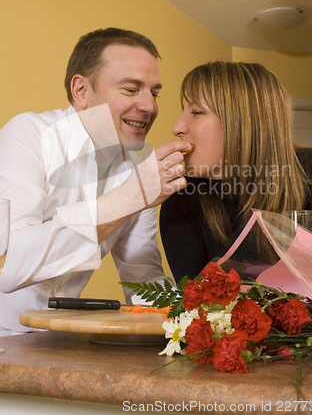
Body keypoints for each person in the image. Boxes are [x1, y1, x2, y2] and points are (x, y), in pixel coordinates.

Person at [0, 27, 191, 334]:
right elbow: (12, 267)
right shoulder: (27, 136)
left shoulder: (135, 173)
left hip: (55, 346)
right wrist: (129, 198)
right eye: (131, 90)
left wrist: (199, 320)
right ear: (81, 91)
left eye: (154, 93)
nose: (150, 106)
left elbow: (142, 277)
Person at [160, 61, 312, 284]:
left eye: (197, 112)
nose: (177, 127)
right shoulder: (182, 196)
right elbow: (194, 307)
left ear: (243, 121)